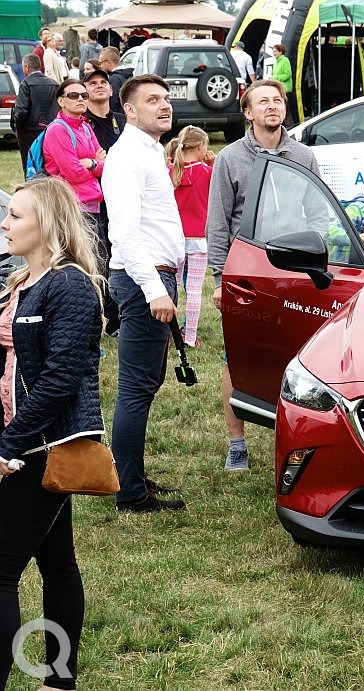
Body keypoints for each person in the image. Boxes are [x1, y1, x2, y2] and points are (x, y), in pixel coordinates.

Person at [0, 176, 105, 691]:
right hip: (19, 437)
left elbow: (62, 378)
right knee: (57, 560)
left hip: (40, 445)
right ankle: (60, 682)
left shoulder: (69, 285)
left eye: (16, 215)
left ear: (48, 224)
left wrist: (9, 444)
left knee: (1, 571)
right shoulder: (21, 281)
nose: (5, 223)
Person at [207, 79, 320, 471]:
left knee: (300, 360)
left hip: (295, 272)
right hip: (247, 274)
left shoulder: (303, 156)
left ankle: (294, 440)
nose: (272, 106)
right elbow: (218, 223)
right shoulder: (230, 159)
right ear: (248, 112)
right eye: (263, 102)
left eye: (277, 100)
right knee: (237, 357)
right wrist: (220, 279)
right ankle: (237, 442)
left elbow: (319, 212)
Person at [101, 75, 187, 512]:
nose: (164, 106)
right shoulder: (127, 157)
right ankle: (130, 492)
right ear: (129, 110)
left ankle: (132, 475)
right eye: (153, 100)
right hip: (143, 280)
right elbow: (125, 233)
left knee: (146, 384)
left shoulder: (149, 151)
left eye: (167, 99)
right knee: (136, 387)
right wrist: (154, 289)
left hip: (155, 276)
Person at [83, 68, 127, 336]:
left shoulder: (123, 121)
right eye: (93, 83)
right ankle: (108, 317)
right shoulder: (83, 123)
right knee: (101, 258)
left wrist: (103, 160)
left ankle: (122, 313)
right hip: (96, 201)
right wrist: (100, 162)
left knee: (122, 253)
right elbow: (87, 161)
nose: (99, 86)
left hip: (122, 196)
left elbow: (121, 159)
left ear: (111, 90)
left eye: (103, 82)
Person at [168, 126, 213, 348]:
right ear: (200, 147)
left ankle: (171, 333)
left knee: (172, 286)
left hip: (173, 238)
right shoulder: (206, 172)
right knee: (194, 289)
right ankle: (190, 336)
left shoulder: (169, 171)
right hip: (198, 239)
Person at [42, 79, 106, 219]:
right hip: (71, 206)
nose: (80, 99)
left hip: (93, 202)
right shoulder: (57, 130)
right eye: (73, 95)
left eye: (84, 96)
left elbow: (106, 167)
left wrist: (91, 163)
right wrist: (96, 164)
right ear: (61, 101)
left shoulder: (85, 127)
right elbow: (73, 173)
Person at [10, 54, 58, 175]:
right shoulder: (54, 83)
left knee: (30, 164)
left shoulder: (26, 84)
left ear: (26, 67)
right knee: (49, 164)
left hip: (29, 131)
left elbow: (21, 110)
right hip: (51, 129)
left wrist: (18, 127)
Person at [99, 47, 136, 113]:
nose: (100, 66)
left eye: (100, 63)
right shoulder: (128, 76)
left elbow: (113, 104)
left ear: (108, 62)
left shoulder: (114, 79)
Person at [271, 44, 295, 126]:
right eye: (273, 51)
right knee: (282, 108)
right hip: (278, 89)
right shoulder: (275, 62)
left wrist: (275, 78)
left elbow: (288, 74)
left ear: (281, 52)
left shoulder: (285, 60)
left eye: (275, 51)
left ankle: (290, 126)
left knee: (286, 109)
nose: (274, 53)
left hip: (285, 89)